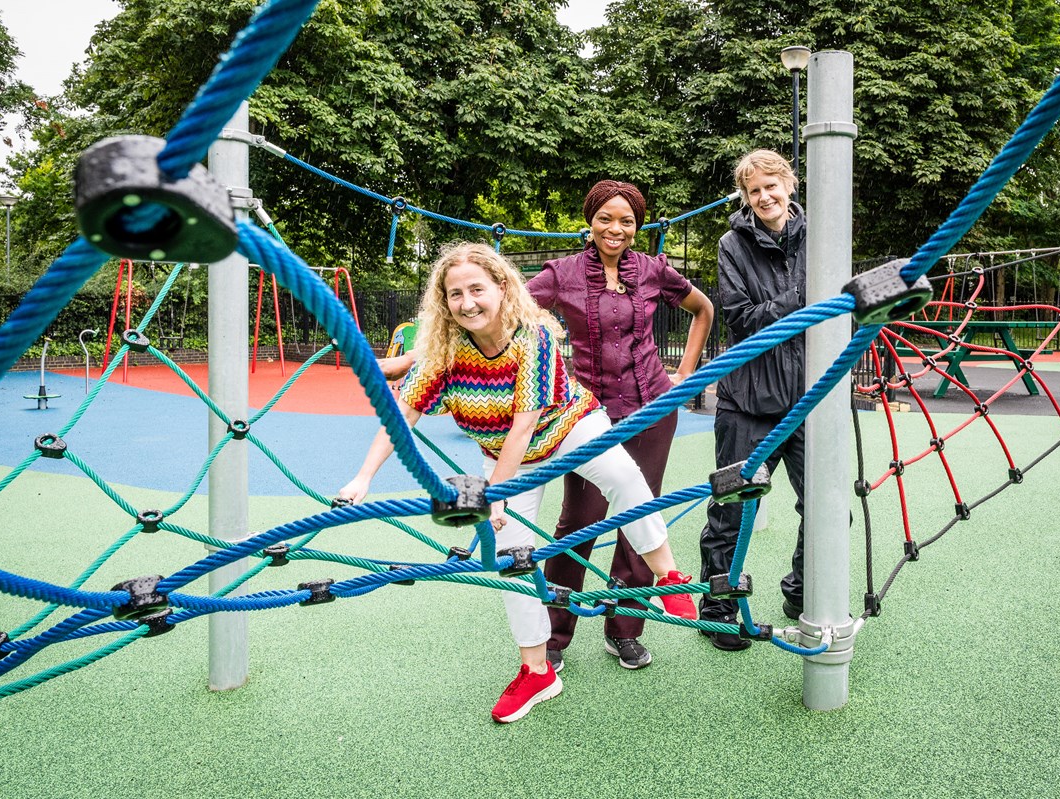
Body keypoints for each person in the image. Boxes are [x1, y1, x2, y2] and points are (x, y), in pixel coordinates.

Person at [337, 242, 699, 724]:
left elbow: (524, 425)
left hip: (568, 427)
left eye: (477, 289)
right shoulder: (444, 353)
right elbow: (401, 417)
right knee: (511, 560)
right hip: (504, 458)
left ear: (502, 288)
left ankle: (669, 574)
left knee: (623, 475)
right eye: (455, 294)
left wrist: (496, 496)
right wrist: (362, 479)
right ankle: (538, 671)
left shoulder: (532, 338)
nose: (467, 302)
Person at [526, 180, 714, 672]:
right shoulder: (562, 274)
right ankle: (554, 633)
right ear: (591, 221)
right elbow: (513, 313)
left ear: (638, 226)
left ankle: (623, 629)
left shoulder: (652, 271)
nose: (616, 228)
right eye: (606, 218)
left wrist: (685, 374)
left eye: (626, 220)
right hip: (587, 415)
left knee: (641, 518)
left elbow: (702, 309)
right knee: (579, 519)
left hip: (652, 409)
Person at [699, 149, 808, 651]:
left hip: (808, 397)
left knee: (827, 506)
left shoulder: (820, 238)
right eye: (754, 190)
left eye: (772, 185)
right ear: (745, 197)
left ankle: (804, 590)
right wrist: (802, 300)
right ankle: (718, 609)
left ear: (790, 184)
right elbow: (741, 316)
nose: (764, 196)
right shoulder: (732, 244)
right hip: (748, 399)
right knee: (731, 510)